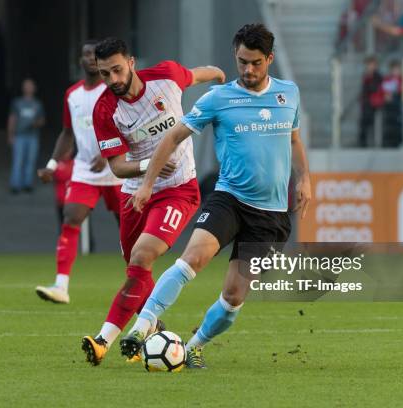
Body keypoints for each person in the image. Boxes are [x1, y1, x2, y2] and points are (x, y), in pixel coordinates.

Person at [120, 23, 311, 369]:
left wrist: (304, 179)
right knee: (191, 259)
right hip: (230, 199)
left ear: (269, 59)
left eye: (255, 63)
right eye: (241, 62)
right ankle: (141, 328)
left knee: (234, 296)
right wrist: (147, 182)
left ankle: (193, 347)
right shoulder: (218, 98)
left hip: (270, 215)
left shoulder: (289, 94)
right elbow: (173, 137)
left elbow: (294, 140)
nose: (248, 70)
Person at [79, 37, 226, 366]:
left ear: (131, 62)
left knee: (144, 254)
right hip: (135, 194)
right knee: (136, 271)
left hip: (179, 189)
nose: (113, 80)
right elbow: (117, 166)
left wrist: (217, 74)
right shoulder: (105, 109)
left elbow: (194, 74)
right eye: (105, 74)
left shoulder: (166, 77)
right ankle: (152, 326)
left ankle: (105, 339)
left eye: (117, 70)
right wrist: (150, 166)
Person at [35, 40, 123, 304]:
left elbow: (128, 125)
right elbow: (67, 133)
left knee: (128, 229)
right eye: (86, 54)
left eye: (95, 55)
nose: (91, 59)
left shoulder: (113, 91)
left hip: (118, 168)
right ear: (80, 60)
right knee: (71, 217)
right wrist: (52, 165)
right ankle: (61, 286)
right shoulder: (72, 94)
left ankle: (140, 283)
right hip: (85, 169)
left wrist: (109, 155)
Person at [8, 78, 45, 194]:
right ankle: (15, 185)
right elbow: (12, 119)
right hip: (19, 136)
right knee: (18, 161)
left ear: (34, 88)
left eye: (30, 86)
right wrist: (10, 134)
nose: (28, 88)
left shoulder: (38, 104)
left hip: (33, 137)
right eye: (26, 86)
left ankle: (27, 184)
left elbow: (42, 120)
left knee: (30, 161)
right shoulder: (17, 102)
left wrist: (37, 123)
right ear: (23, 88)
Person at [359, 55, 383, 147]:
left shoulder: (377, 76)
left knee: (372, 123)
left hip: (374, 103)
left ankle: (374, 142)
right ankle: (363, 142)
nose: (369, 67)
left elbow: (374, 88)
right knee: (364, 123)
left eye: (371, 64)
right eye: (368, 65)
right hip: (366, 103)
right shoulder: (365, 76)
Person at [381, 60, 403, 147]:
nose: (396, 71)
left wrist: (393, 94)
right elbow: (383, 90)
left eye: (398, 69)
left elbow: (401, 91)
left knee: (398, 125)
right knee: (389, 124)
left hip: (398, 106)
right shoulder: (387, 79)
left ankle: (397, 142)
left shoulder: (402, 79)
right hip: (389, 106)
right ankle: (388, 142)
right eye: (394, 69)